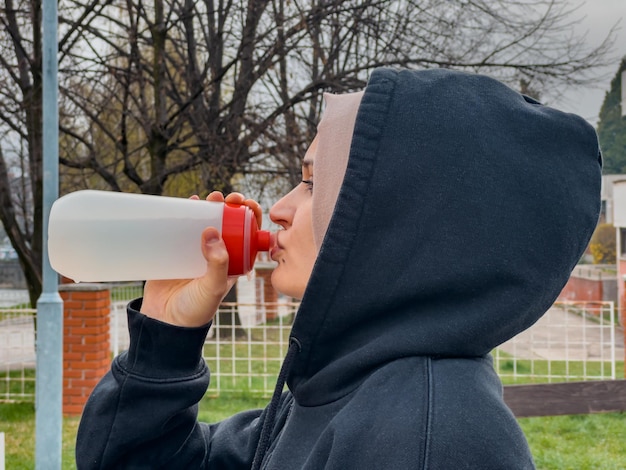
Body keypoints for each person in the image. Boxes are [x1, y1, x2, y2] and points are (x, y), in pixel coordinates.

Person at [76, 68, 601, 469]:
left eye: (310, 184)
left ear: (396, 213)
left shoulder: (425, 436)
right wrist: (167, 334)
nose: (277, 208)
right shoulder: (346, 388)